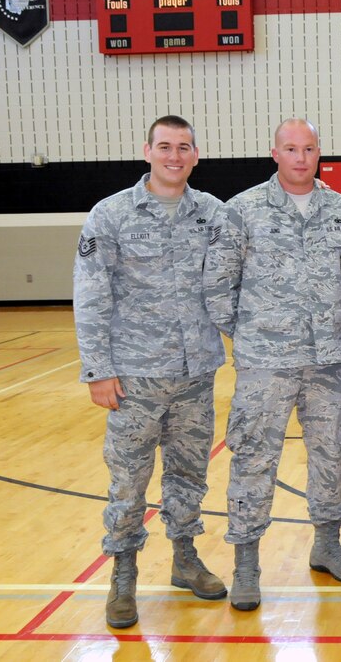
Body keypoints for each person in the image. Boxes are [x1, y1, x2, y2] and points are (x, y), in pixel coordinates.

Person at [204, 118, 341, 611]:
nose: (301, 157)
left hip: (328, 364)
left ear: (320, 153)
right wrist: (258, 335)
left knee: (330, 456)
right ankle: (247, 563)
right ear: (274, 152)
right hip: (265, 366)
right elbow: (217, 289)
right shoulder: (243, 210)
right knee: (253, 459)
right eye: (291, 148)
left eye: (309, 148)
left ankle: (327, 544)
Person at [73, 115, 227, 629]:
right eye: (165, 146)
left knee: (188, 474)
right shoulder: (111, 214)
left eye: (184, 147)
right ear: (147, 151)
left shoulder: (212, 214)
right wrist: (97, 370)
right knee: (129, 481)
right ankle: (123, 575)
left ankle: (184, 559)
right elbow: (91, 295)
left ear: (196, 155)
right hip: (134, 377)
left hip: (194, 374)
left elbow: (234, 283)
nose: (174, 156)